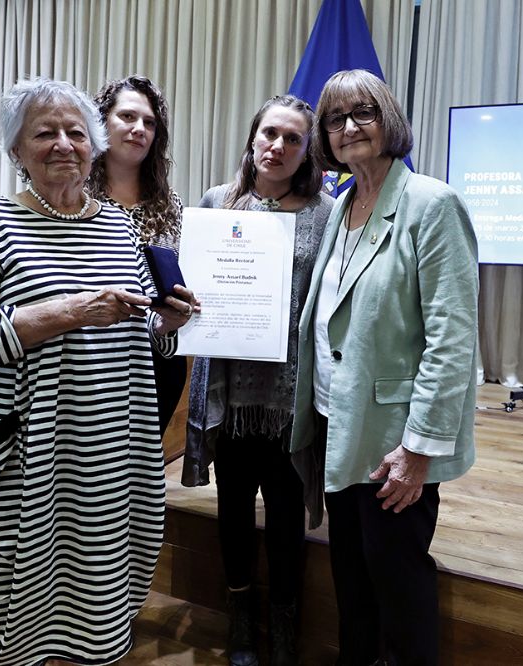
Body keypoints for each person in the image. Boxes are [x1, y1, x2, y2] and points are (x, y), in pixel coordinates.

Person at [0, 77, 198, 666]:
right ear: (17, 150)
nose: (63, 144)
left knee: (96, 593)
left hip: (104, 458)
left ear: (95, 146)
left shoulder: (120, 227)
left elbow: (128, 334)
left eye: (76, 132)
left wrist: (165, 324)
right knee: (14, 602)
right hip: (23, 456)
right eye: (44, 133)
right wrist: (70, 311)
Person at [290, 70, 479, 666]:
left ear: (389, 119)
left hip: (395, 440)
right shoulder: (342, 203)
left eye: (363, 113)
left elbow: (453, 337)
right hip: (337, 423)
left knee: (397, 582)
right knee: (351, 575)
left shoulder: (431, 203)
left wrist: (419, 447)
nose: (349, 128)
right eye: (335, 119)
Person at [185, 94, 333, 666]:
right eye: (270, 134)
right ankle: (242, 616)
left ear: (306, 152)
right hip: (229, 392)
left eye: (292, 139)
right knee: (234, 508)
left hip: (290, 396)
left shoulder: (325, 213)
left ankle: (285, 619)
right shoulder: (217, 204)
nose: (278, 146)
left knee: (288, 510)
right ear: (252, 139)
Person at [89, 75, 186, 436]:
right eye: (127, 117)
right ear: (101, 122)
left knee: (140, 473)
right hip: (93, 360)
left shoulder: (170, 204)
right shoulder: (73, 198)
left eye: (149, 122)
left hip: (157, 361)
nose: (139, 129)